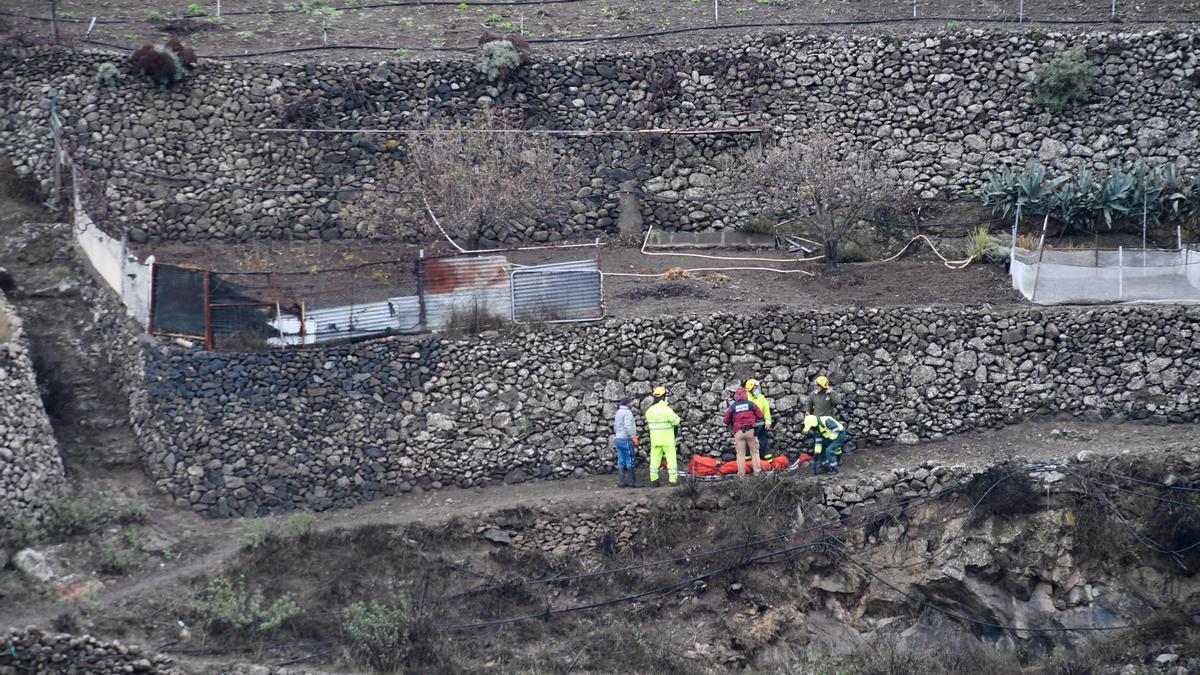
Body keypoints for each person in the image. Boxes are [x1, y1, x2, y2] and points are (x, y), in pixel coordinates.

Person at [723, 387, 764, 479]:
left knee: (740, 454)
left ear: (736, 396)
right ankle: (757, 474)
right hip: (751, 431)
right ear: (745, 394)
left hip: (738, 432)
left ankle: (741, 476)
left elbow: (726, 420)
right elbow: (760, 415)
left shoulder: (733, 406)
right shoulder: (751, 404)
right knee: (754, 452)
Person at [644, 386, 681, 487]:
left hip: (655, 440)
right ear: (664, 396)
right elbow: (676, 421)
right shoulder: (667, 410)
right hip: (667, 440)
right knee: (671, 459)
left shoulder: (649, 411)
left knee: (654, 460)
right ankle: (673, 480)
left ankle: (654, 480)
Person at [613, 396, 641, 488]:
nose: (633, 404)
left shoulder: (618, 412)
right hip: (626, 439)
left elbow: (616, 426)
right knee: (630, 459)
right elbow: (628, 426)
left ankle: (621, 481)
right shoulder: (627, 413)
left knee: (621, 460)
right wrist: (634, 437)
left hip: (618, 438)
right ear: (627, 403)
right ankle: (632, 481)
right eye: (631, 402)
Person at [744, 378, 773, 459]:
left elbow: (766, 411)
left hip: (760, 424)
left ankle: (768, 459)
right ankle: (748, 460)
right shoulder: (745, 399)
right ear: (750, 389)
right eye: (755, 387)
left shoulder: (761, 398)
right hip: (749, 424)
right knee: (747, 442)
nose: (757, 389)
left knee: (763, 441)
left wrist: (768, 422)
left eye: (757, 387)